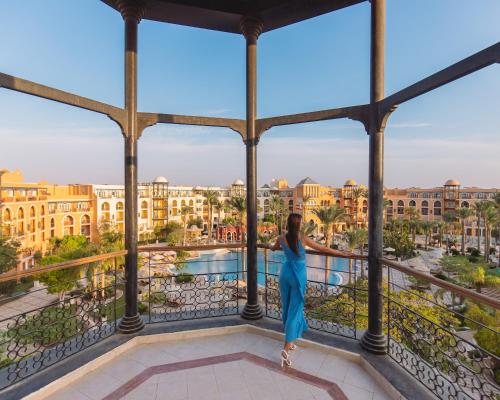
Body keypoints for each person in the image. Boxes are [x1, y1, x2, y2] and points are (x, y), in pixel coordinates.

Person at [269, 213, 353, 367]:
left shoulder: (282, 238)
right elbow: (322, 248)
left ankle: (291, 340)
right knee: (295, 310)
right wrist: (342, 253)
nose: (302, 224)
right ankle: (286, 350)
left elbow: (274, 248)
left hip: (285, 273)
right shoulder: (303, 238)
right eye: (301, 222)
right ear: (298, 225)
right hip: (298, 275)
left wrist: (271, 247)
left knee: (287, 307)